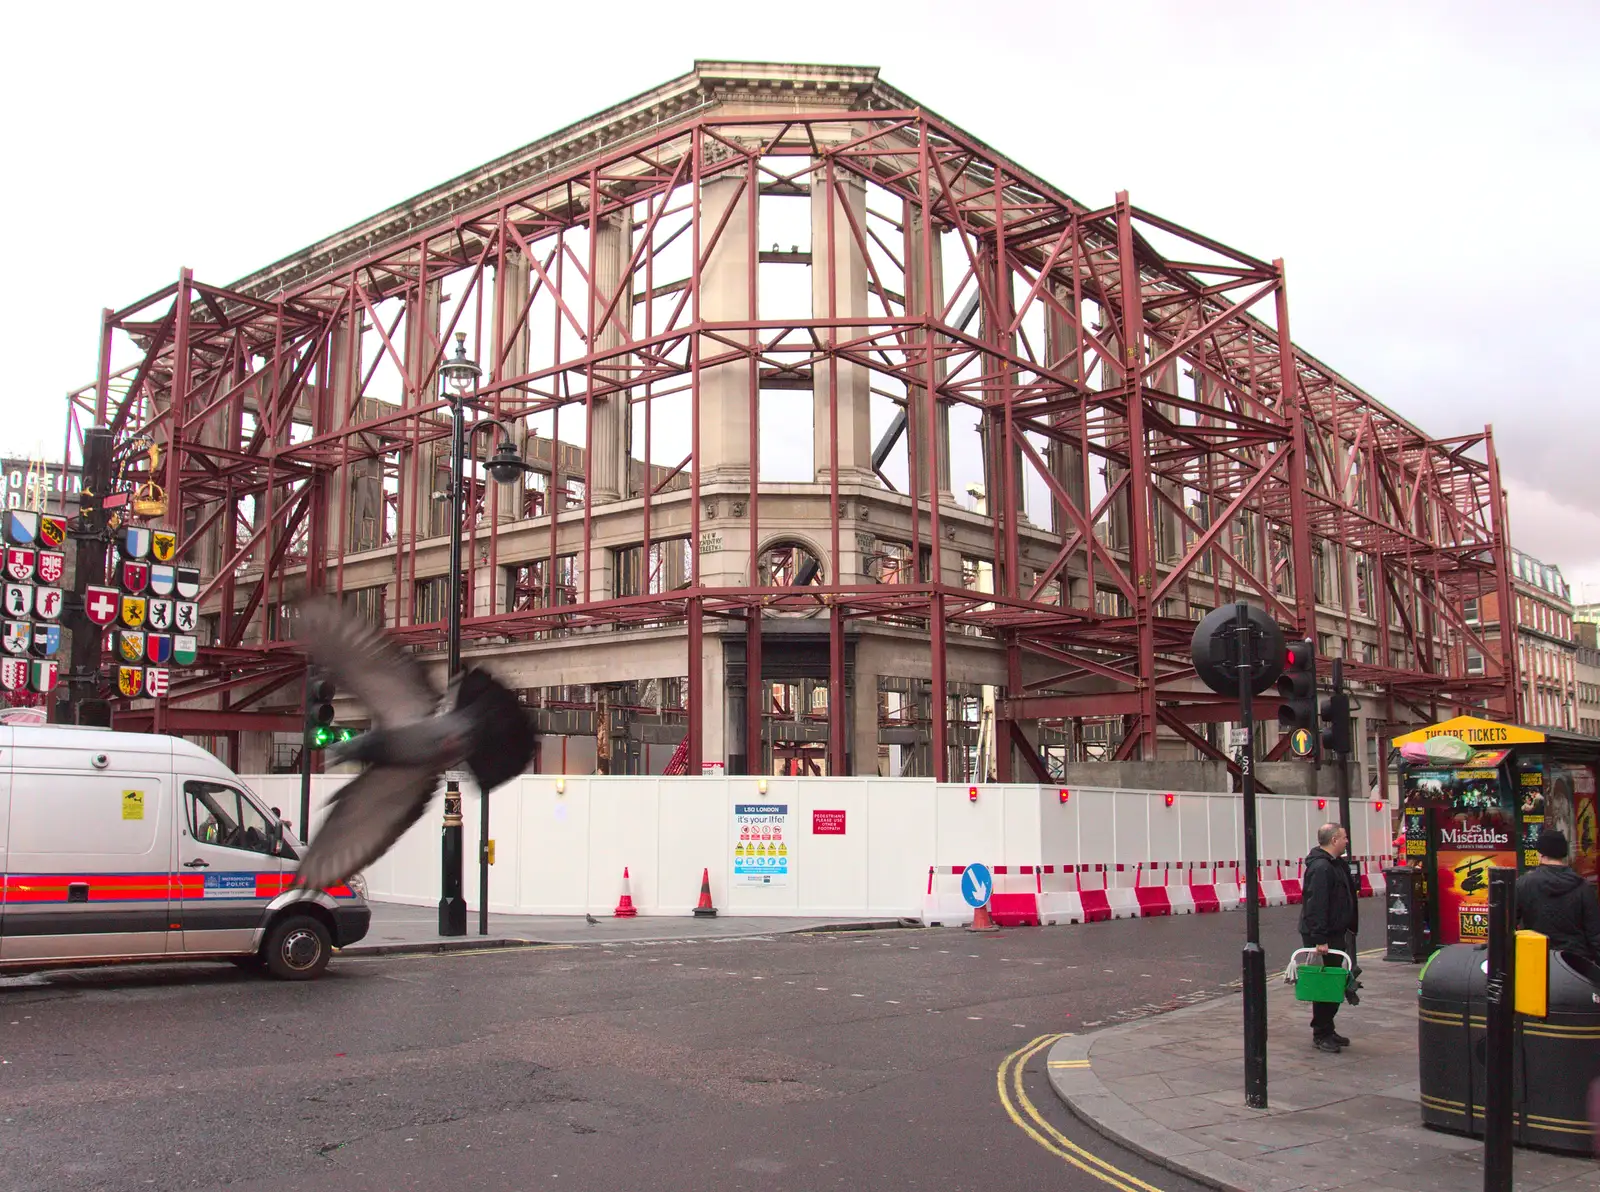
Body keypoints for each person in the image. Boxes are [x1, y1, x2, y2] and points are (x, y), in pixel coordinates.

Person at [1299, 822, 1359, 1053]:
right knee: (1326, 984)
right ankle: (1321, 1032)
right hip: (1324, 936)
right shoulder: (1321, 868)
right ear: (1334, 840)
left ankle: (1327, 1028)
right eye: (1344, 837)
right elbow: (1316, 905)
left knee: (1335, 981)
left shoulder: (1335, 864)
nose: (1347, 841)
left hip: (1335, 932)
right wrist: (1320, 938)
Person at [1515, 828, 1600, 962]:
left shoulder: (1523, 884)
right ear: (1563, 854)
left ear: (1540, 854)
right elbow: (1595, 934)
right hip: (1575, 965)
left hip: (1536, 961)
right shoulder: (1583, 886)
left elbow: (1507, 926)